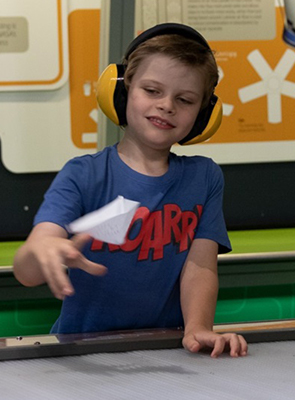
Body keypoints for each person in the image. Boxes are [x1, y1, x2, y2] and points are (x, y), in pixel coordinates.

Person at [13, 23, 247, 358]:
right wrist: (42, 249)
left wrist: (197, 328)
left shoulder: (205, 177)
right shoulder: (83, 174)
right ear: (122, 93)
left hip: (167, 352)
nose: (167, 105)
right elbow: (27, 270)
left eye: (184, 99)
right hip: (82, 355)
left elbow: (200, 267)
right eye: (152, 91)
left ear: (203, 115)